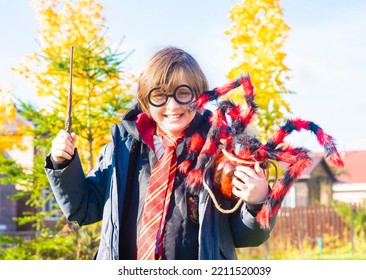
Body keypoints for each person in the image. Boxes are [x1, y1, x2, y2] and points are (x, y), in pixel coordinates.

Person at [44, 46, 276, 260]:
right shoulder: (120, 150)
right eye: (159, 95)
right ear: (146, 101)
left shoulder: (221, 153)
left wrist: (257, 203)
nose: (172, 106)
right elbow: (84, 209)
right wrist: (62, 165)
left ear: (200, 97)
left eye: (183, 93)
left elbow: (246, 236)